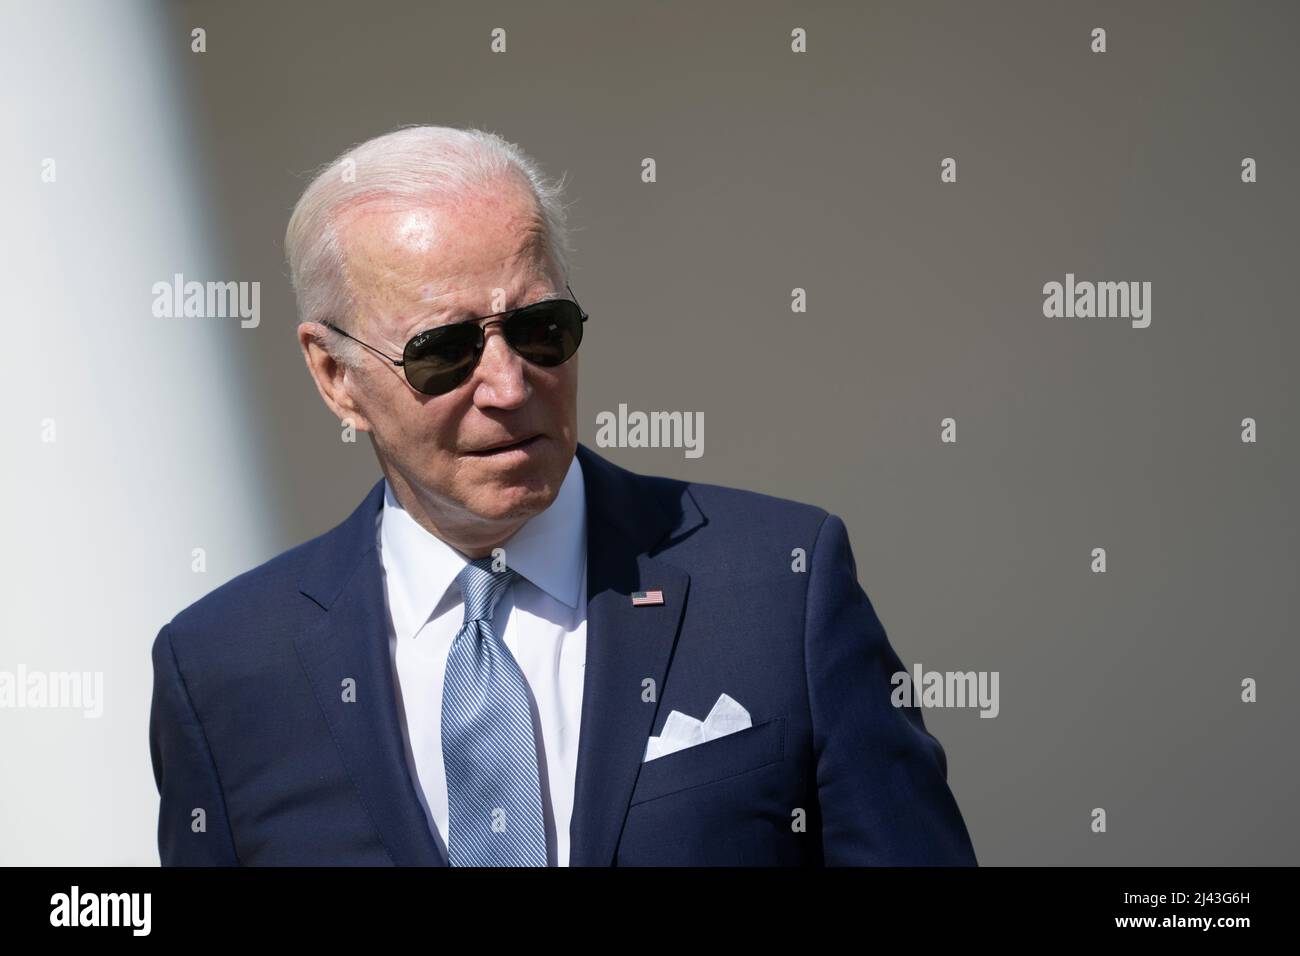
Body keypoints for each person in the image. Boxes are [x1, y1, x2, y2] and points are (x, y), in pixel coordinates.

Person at [149, 125, 978, 866]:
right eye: (444, 352)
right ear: (336, 376)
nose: (509, 385)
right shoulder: (226, 671)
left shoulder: (779, 587)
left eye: (542, 329)